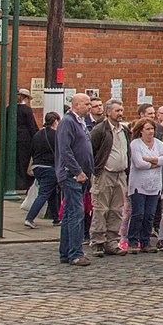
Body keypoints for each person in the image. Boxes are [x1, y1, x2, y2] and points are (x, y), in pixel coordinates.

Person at [56, 93, 94, 265]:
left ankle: (66, 252)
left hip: (81, 175)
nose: (89, 106)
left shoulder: (80, 122)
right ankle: (75, 253)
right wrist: (77, 171)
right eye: (86, 103)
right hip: (72, 175)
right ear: (77, 105)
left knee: (71, 214)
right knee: (76, 214)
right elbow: (65, 151)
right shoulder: (68, 122)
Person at [89, 100, 131, 257]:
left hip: (120, 174)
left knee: (117, 210)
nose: (120, 113)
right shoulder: (100, 130)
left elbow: (127, 151)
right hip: (105, 173)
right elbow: (91, 150)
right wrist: (96, 169)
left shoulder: (124, 130)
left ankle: (112, 241)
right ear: (108, 112)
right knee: (101, 209)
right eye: (117, 111)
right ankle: (98, 241)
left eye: (121, 110)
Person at [127, 118, 163, 253]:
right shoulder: (135, 144)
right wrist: (156, 163)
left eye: (152, 129)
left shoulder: (159, 144)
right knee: (138, 213)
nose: (151, 132)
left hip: (155, 185)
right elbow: (139, 163)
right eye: (148, 129)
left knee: (150, 215)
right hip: (138, 185)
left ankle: (145, 241)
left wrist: (150, 160)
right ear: (141, 131)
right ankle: (133, 240)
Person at [24, 112, 62, 228]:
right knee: (44, 194)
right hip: (49, 168)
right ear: (55, 121)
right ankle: (29, 218)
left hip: (37, 167)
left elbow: (31, 151)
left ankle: (56, 219)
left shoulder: (37, 134)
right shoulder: (56, 135)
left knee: (51, 194)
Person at [14, 88, 40, 192]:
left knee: (15, 162)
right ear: (26, 98)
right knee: (25, 162)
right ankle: (23, 183)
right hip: (25, 139)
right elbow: (32, 126)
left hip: (13, 139)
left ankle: (16, 182)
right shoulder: (27, 110)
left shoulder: (10, 108)